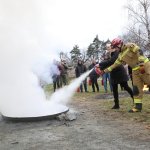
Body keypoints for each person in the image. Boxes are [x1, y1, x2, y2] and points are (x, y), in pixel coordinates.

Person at [103, 38, 150, 112]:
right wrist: (105, 71)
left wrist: (141, 64)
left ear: (119, 45)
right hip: (135, 71)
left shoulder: (129, 46)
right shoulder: (120, 55)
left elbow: (139, 51)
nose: (115, 49)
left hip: (144, 66)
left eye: (115, 47)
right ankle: (138, 107)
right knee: (136, 89)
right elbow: (115, 64)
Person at [99, 43, 133, 109]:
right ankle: (116, 105)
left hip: (120, 73)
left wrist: (100, 64)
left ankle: (135, 99)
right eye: (107, 47)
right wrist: (100, 67)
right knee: (114, 89)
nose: (108, 48)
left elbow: (111, 61)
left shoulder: (116, 53)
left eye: (109, 46)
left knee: (126, 87)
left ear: (113, 47)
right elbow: (107, 63)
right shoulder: (110, 54)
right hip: (114, 73)